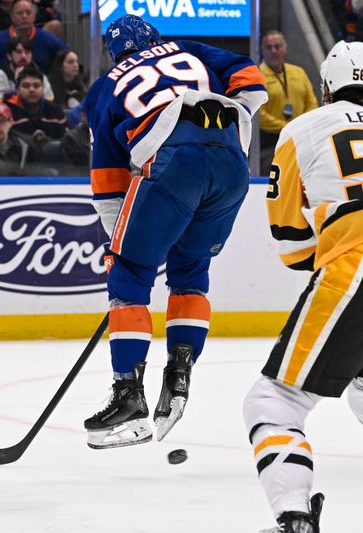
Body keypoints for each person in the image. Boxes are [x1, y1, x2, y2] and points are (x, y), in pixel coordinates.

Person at [81, 15, 267, 449]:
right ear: (154, 38)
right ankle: (179, 378)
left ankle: (128, 394)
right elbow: (253, 82)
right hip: (231, 166)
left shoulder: (105, 85)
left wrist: (122, 243)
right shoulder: (190, 49)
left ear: (114, 52)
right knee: (190, 270)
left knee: (129, 274)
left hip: (172, 162)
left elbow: (109, 177)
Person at [243, 40, 363, 533]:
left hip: (352, 271)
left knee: (274, 401)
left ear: (326, 87)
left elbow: (292, 244)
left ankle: (293, 516)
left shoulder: (302, 129)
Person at [258, 31, 318, 174]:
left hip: (301, 139)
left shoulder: (298, 72)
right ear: (262, 50)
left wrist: (301, 126)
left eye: (277, 46)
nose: (273, 51)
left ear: (285, 48)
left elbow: (312, 103)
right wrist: (288, 127)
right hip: (269, 142)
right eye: (269, 47)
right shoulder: (257, 76)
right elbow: (258, 115)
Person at [0, 0, 65, 74]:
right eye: (20, 13)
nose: (24, 16)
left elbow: (66, 56)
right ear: (12, 16)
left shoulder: (47, 39)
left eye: (28, 13)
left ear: (34, 16)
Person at [0, 35, 53, 106]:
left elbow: (48, 105)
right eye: (18, 52)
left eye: (27, 52)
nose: (23, 56)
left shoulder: (41, 77)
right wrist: (17, 86)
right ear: (9, 56)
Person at [4, 64, 67, 141]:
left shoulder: (55, 111)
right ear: (17, 90)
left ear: (43, 89)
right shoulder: (6, 112)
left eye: (36, 86)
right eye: (26, 86)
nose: (31, 90)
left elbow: (63, 143)